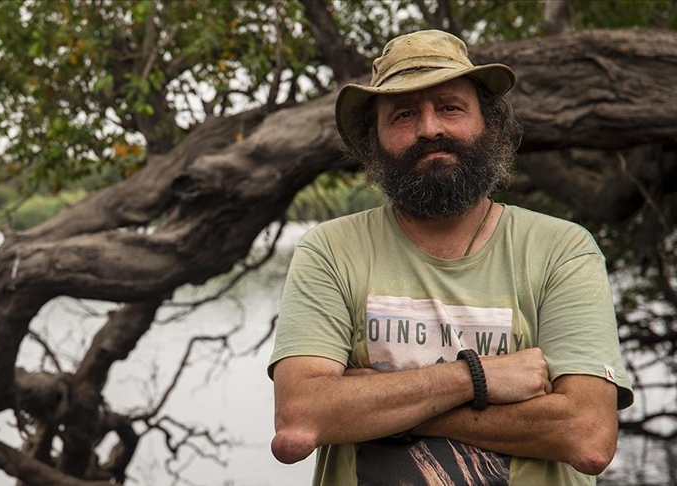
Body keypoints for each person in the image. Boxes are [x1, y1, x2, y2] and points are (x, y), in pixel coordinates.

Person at [268, 29, 634, 486]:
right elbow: (300, 418)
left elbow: (587, 437)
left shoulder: (561, 250)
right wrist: (475, 378)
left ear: (491, 125)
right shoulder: (331, 250)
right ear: (373, 140)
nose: (429, 128)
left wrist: (376, 406)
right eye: (404, 114)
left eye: (450, 108)